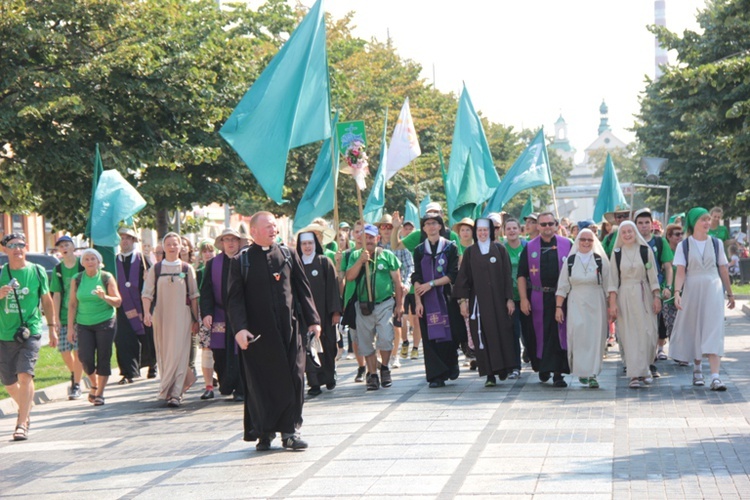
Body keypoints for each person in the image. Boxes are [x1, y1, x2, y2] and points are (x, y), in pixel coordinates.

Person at [226, 211, 321, 451]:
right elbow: (234, 300)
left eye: (275, 226)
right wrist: (240, 329)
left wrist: (313, 320)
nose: (273, 230)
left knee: (295, 378)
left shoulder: (288, 255)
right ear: (254, 231)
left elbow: (303, 289)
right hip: (258, 336)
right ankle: (264, 431)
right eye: (268, 226)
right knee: (262, 384)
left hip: (290, 330)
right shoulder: (241, 261)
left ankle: (290, 432)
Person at [671, 207, 735, 391]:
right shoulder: (685, 245)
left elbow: (723, 268)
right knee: (696, 328)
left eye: (708, 219)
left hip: (713, 289)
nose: (708, 223)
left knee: (714, 329)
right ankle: (697, 369)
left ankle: (715, 376)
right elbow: (681, 271)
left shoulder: (716, 243)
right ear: (694, 223)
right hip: (692, 289)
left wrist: (730, 293)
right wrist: (677, 292)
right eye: (703, 220)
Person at [0, 233, 57, 441]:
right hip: (4, 332)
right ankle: (26, 406)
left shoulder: (37, 271)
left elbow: (47, 300)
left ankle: (22, 422)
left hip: (30, 330)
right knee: (8, 382)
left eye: (21, 245)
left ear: (26, 247)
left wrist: (51, 327)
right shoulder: (1, 273)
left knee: (25, 375)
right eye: (12, 245)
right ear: (5, 250)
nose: (17, 249)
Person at [454, 218, 516, 387]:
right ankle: (489, 374)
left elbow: (507, 276)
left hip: (499, 302)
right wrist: (462, 301)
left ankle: (503, 368)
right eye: (479, 230)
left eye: (485, 230)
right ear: (476, 232)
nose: (482, 233)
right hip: (478, 303)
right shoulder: (470, 252)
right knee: (483, 336)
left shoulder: (500, 250)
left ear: (491, 231)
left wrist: (509, 299)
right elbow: (463, 279)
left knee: (501, 333)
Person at [142, 233, 200, 407]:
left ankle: (176, 393)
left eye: (176, 244)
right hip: (162, 315)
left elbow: (194, 295)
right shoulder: (156, 269)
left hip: (182, 316)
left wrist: (196, 319)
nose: (172, 247)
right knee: (165, 353)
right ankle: (167, 388)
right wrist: (146, 312)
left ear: (181, 247)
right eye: (169, 244)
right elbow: (147, 293)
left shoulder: (186, 268)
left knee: (181, 353)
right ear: (163, 246)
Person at [344, 224, 403, 391]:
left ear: (377, 238)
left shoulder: (387, 256)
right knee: (365, 342)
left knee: (385, 337)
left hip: (384, 303)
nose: (369, 240)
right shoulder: (356, 255)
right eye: (366, 238)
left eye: (371, 237)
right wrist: (361, 262)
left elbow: (397, 282)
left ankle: (384, 367)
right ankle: (372, 374)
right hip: (363, 306)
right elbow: (349, 277)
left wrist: (399, 305)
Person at [517, 212, 572, 387]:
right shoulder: (530, 247)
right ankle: (542, 367)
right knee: (538, 334)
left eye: (550, 224)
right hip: (537, 297)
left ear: (556, 225)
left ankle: (558, 374)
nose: (547, 227)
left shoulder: (567, 245)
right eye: (543, 224)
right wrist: (524, 299)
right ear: (538, 226)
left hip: (560, 297)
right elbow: (521, 275)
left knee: (558, 335)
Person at [607, 221, 661, 389]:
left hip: (644, 294)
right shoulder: (617, 253)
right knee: (629, 335)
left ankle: (645, 369)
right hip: (625, 296)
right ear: (620, 235)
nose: (628, 234)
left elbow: (653, 276)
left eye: (630, 231)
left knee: (649, 333)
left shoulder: (645, 251)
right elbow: (613, 280)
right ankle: (634, 374)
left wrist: (657, 296)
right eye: (624, 232)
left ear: (635, 232)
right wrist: (612, 304)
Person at [555, 229, 610, 388]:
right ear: (578, 241)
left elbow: (608, 286)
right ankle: (582, 372)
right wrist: (559, 307)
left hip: (596, 302)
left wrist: (612, 307)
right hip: (576, 303)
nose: (586, 243)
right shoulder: (570, 261)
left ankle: (593, 374)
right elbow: (563, 286)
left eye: (589, 240)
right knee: (578, 336)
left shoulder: (600, 261)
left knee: (595, 337)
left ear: (594, 242)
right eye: (583, 239)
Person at [412, 214, 462, 388]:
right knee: (430, 337)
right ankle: (436, 375)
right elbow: (416, 277)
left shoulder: (450, 247)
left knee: (450, 333)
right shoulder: (419, 250)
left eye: (434, 223)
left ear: (440, 226)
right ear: (423, 228)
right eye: (427, 224)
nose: (431, 227)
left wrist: (431, 284)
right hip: (426, 300)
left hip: (447, 297)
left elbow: (453, 274)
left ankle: (451, 364)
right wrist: (418, 302)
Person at [67, 248, 121, 406]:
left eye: (93, 259)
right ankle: (95, 384)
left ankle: (100, 393)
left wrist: (105, 297)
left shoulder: (106, 277)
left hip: (105, 321)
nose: (90, 262)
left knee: (103, 357)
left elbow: (118, 301)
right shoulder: (77, 279)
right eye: (87, 259)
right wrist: (70, 328)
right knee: (85, 357)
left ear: (99, 262)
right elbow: (72, 304)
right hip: (84, 323)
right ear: (82, 262)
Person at [200, 228, 245, 402]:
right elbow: (206, 291)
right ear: (222, 243)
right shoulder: (213, 264)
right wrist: (207, 313)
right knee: (220, 352)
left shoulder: (246, 260)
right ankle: (226, 384)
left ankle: (241, 388)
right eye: (227, 240)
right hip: (220, 313)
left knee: (240, 351)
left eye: (234, 239)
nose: (231, 243)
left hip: (241, 314)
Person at [296, 230, 342, 396]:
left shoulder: (324, 262)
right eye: (304, 244)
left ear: (315, 244)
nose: (307, 247)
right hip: (304, 316)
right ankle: (314, 383)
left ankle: (329, 376)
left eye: (310, 243)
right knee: (308, 347)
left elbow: (333, 289)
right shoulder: (296, 264)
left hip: (325, 313)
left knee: (328, 347)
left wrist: (336, 312)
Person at [114, 227, 156, 384]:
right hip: (122, 307)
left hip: (143, 306)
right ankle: (129, 371)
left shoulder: (143, 260)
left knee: (147, 337)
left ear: (133, 240)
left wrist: (148, 277)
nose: (124, 241)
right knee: (124, 339)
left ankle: (152, 364)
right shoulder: (114, 261)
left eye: (128, 238)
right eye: (122, 238)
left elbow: (154, 282)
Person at [634, 209, 674, 373]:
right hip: (634, 289)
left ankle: (650, 360)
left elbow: (668, 267)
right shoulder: (630, 240)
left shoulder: (659, 242)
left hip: (654, 290)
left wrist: (668, 287)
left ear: (652, 224)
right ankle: (634, 360)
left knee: (652, 327)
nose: (643, 226)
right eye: (640, 223)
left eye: (646, 223)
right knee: (635, 325)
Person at [50, 235, 84, 399]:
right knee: (64, 350)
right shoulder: (58, 269)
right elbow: (56, 295)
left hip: (82, 314)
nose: (63, 248)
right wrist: (55, 318)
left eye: (66, 245)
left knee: (78, 351)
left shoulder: (82, 264)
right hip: (64, 315)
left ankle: (76, 384)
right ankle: (75, 373)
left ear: (73, 247)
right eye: (60, 246)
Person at [338, 221, 368, 381]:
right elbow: (342, 278)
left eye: (362, 231)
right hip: (352, 299)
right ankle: (361, 366)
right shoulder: (347, 255)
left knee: (372, 335)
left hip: (370, 298)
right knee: (355, 336)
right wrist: (337, 263)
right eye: (357, 231)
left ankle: (372, 368)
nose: (359, 234)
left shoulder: (374, 252)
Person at [502, 217, 526, 378]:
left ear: (520, 230)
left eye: (514, 228)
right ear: (504, 231)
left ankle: (532, 357)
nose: (511, 231)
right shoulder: (501, 249)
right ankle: (515, 366)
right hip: (510, 298)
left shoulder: (527, 247)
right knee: (513, 333)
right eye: (508, 228)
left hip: (528, 295)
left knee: (530, 332)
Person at [195, 239, 217, 399]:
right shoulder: (197, 272)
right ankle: (208, 385)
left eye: (210, 250)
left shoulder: (220, 267)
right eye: (205, 251)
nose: (208, 254)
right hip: (204, 315)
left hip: (222, 313)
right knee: (206, 349)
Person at [662, 223, 684, 359]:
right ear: (669, 236)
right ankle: (674, 351)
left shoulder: (684, 250)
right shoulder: (666, 251)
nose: (680, 237)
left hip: (684, 293)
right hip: (669, 294)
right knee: (671, 325)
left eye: (681, 234)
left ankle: (682, 354)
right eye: (677, 234)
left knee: (684, 324)